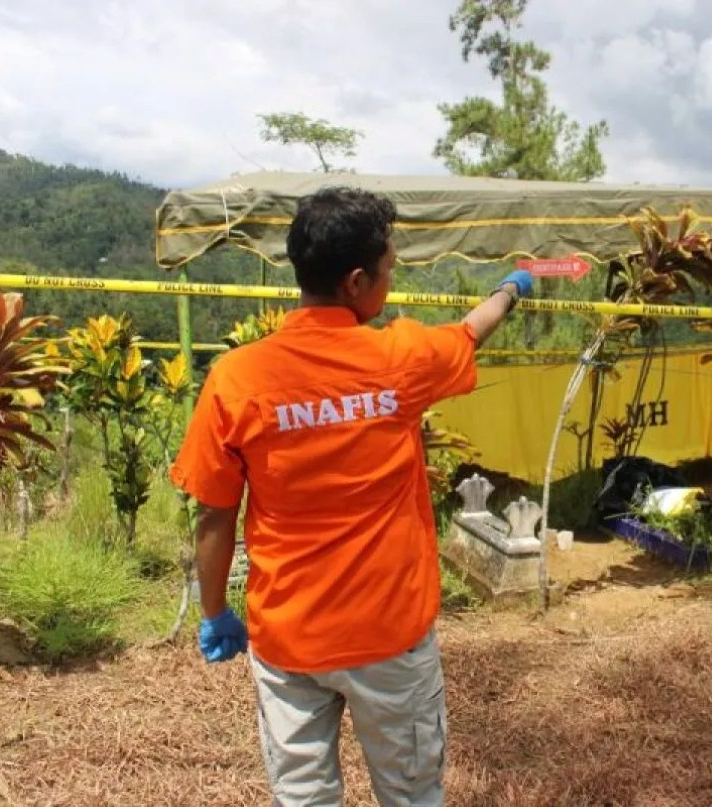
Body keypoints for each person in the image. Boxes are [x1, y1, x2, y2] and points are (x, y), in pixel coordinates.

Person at [170, 186, 532, 806]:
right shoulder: (401, 358)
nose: (391, 280)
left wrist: (213, 612)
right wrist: (510, 289)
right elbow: (470, 333)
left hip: (290, 640)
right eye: (389, 269)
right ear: (357, 282)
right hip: (390, 637)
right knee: (412, 795)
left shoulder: (237, 378)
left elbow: (214, 513)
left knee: (304, 799)